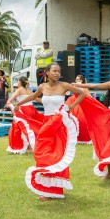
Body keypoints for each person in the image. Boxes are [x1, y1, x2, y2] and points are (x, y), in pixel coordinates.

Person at [14, 63, 85, 201]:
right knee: (44, 153)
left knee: (57, 156)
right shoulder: (42, 87)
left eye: (59, 71)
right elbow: (33, 97)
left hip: (59, 124)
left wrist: (71, 106)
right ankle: (48, 188)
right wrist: (18, 103)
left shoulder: (64, 85)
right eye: (54, 71)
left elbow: (81, 93)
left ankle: (55, 190)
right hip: (46, 123)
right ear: (47, 72)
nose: (57, 73)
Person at [6, 76, 44, 154]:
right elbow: (37, 100)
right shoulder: (29, 91)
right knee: (31, 127)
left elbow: (12, 97)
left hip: (23, 109)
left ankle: (23, 146)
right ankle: (30, 146)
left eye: (18, 81)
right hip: (31, 109)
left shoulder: (19, 90)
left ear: (20, 82)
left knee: (20, 128)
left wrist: (8, 102)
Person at [66, 74, 92, 144]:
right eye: (76, 79)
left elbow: (90, 97)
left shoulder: (84, 87)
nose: (77, 81)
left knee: (82, 119)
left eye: (78, 79)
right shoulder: (74, 86)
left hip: (81, 104)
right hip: (74, 103)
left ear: (82, 80)